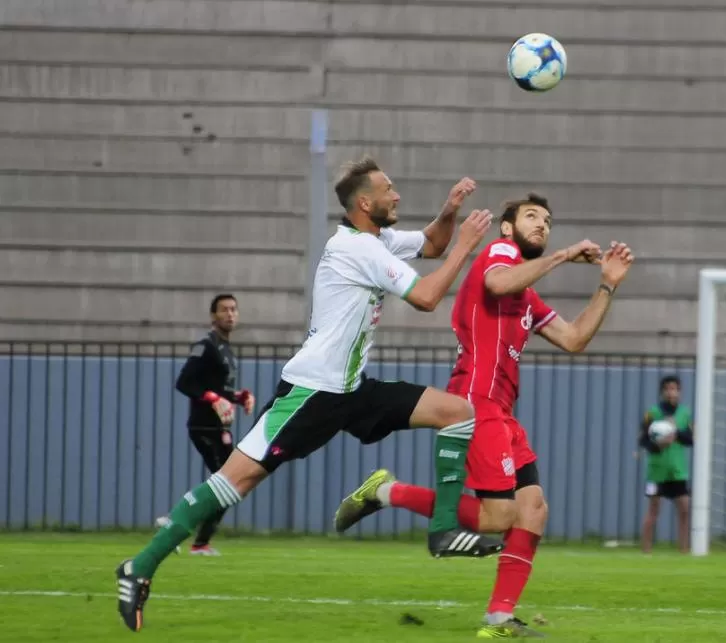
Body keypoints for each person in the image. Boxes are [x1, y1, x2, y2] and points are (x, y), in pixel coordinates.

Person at [115, 157, 501, 633]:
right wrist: (465, 246)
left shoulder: (375, 240)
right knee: (235, 482)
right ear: (365, 203)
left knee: (458, 412)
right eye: (389, 189)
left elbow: (433, 243)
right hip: (312, 392)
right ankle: (139, 567)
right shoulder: (356, 249)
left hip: (352, 390)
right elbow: (425, 297)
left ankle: (443, 531)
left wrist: (449, 213)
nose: (396, 195)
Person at [334, 192, 635, 638]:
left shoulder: (527, 296)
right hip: (476, 403)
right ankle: (387, 492)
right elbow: (496, 283)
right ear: (507, 228)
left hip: (504, 413)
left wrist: (607, 284)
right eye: (532, 217)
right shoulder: (500, 254)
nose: (543, 225)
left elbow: (573, 339)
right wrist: (565, 255)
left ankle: (498, 619)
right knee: (497, 518)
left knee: (533, 509)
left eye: (548, 221)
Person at [158, 293, 255, 556]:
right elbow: (185, 383)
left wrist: (238, 397)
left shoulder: (225, 348)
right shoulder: (206, 345)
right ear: (213, 316)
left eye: (234, 309)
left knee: (229, 483)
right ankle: (182, 527)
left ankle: (196, 539)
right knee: (227, 482)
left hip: (219, 427)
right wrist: (213, 399)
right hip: (203, 426)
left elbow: (217, 389)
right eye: (224, 310)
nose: (230, 314)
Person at [638, 375, 694, 554]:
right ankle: (646, 551)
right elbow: (643, 440)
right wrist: (658, 444)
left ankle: (683, 550)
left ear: (679, 392)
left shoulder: (684, 414)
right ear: (662, 392)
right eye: (668, 389)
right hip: (657, 471)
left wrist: (675, 431)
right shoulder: (652, 413)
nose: (671, 392)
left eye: (675, 389)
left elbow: (690, 440)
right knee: (653, 510)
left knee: (685, 508)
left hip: (678, 470)